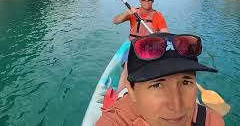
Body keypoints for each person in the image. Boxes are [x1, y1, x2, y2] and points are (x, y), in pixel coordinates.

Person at [96, 33, 225, 126]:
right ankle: (123, 89)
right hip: (138, 54)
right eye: (157, 85)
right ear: (133, 91)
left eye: (186, 82)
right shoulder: (114, 122)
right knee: (126, 75)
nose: (176, 106)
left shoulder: (211, 121)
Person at [114, 0, 169, 91]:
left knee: (155, 71)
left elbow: (165, 32)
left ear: (153, 0)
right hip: (134, 47)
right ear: (140, 0)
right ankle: (120, 94)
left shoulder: (158, 16)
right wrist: (127, 13)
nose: (147, 1)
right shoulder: (133, 13)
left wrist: (160, 36)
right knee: (127, 68)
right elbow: (115, 21)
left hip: (150, 48)